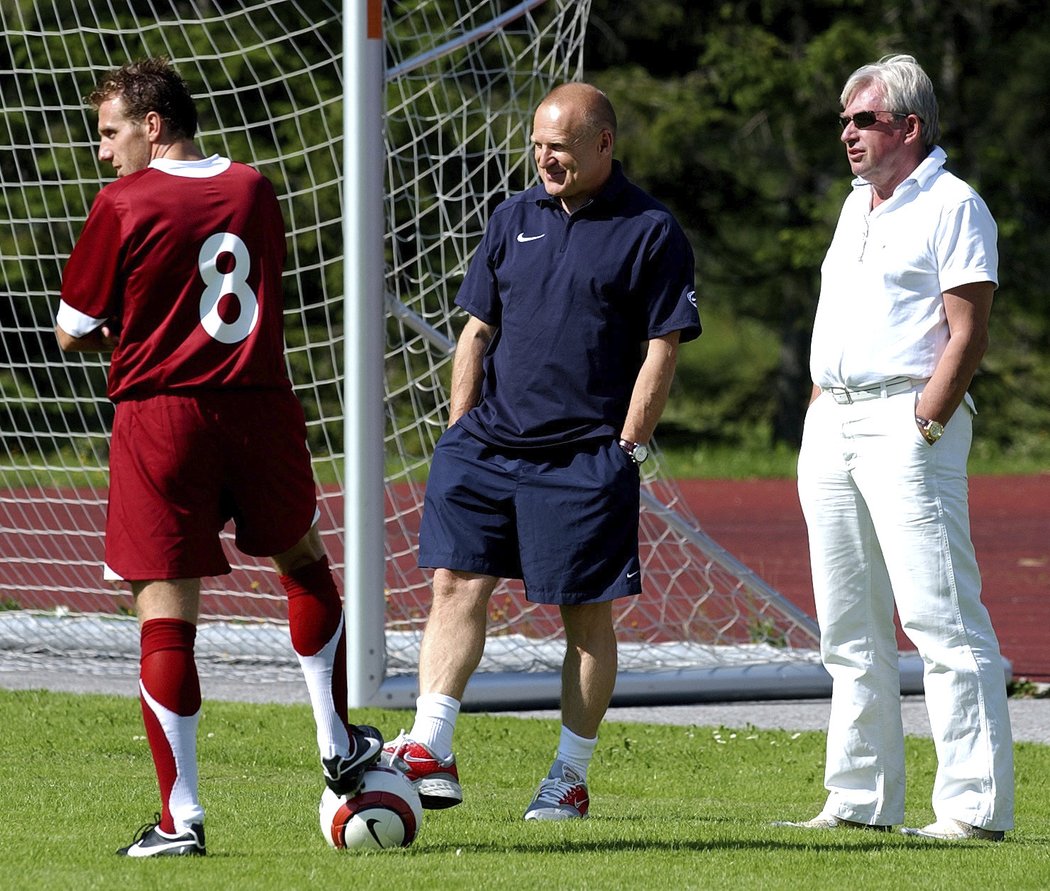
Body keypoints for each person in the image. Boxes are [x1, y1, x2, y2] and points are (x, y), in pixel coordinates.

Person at [55, 58, 382, 857]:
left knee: (165, 617)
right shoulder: (254, 188)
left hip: (164, 415)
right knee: (303, 562)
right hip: (261, 403)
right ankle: (338, 744)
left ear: (153, 124)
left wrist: (124, 324)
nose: (104, 152)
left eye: (110, 132)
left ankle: (181, 819)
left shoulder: (122, 202)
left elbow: (72, 325)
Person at [380, 82, 701, 821]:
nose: (543, 158)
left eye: (558, 145)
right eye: (536, 144)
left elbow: (663, 348)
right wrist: (460, 429)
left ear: (603, 145)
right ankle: (432, 744)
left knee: (585, 617)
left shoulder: (652, 230)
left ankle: (570, 775)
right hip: (487, 445)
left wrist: (628, 447)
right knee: (454, 583)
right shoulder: (511, 216)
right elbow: (477, 330)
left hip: (587, 455)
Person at [781, 53, 1014, 840]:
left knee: (941, 620)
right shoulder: (857, 205)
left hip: (907, 423)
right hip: (834, 421)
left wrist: (926, 424)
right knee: (847, 629)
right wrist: (820, 409)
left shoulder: (955, 204)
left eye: (864, 119)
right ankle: (858, 799)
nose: (847, 132)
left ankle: (974, 809)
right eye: (844, 120)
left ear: (909, 127)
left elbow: (968, 329)